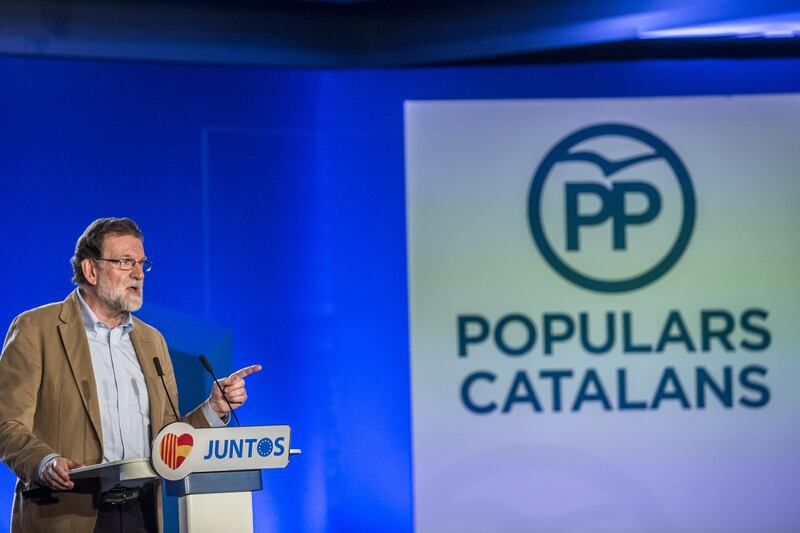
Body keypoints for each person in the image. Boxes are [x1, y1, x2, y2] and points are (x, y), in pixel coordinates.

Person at [0, 218, 261, 532]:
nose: (138, 273)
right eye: (125, 262)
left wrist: (214, 408)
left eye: (142, 263)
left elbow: (167, 439)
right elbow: (6, 423)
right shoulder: (36, 329)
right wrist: (44, 463)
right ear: (90, 270)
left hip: (142, 513)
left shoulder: (152, 341)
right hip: (67, 513)